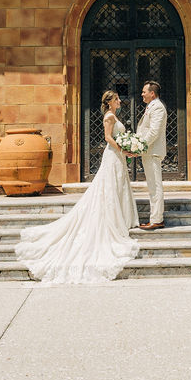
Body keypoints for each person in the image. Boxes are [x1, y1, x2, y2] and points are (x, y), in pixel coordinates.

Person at [15, 91, 139, 283]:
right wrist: (123, 149)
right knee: (111, 188)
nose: (119, 101)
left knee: (117, 187)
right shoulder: (109, 116)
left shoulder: (114, 116)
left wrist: (126, 149)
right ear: (109, 102)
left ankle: (121, 218)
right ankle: (114, 220)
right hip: (113, 157)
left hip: (118, 157)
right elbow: (108, 138)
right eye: (116, 99)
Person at [134, 80, 168, 230]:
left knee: (155, 186)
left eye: (144, 92)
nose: (142, 94)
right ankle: (155, 218)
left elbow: (154, 131)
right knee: (152, 186)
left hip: (152, 151)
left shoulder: (158, 107)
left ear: (152, 93)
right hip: (149, 151)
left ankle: (157, 219)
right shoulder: (152, 106)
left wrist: (140, 146)